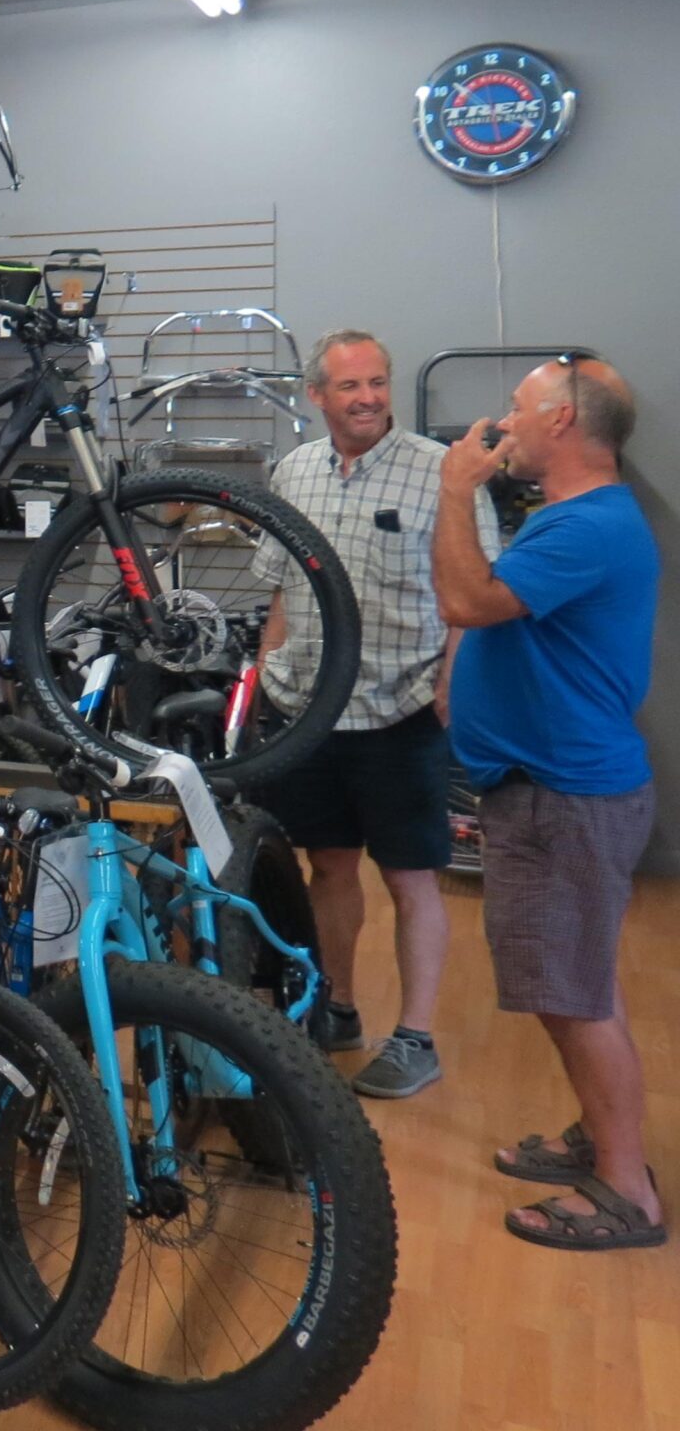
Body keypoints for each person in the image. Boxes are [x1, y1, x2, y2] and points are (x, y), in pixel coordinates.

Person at [436, 354, 663, 1251]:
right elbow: (491, 618)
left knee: (575, 997)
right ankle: (605, 1139)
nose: (508, 424)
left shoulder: (588, 527)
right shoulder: (573, 517)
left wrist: (455, 492)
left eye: (523, 408)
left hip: (563, 798)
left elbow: (466, 596)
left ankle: (625, 1190)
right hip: (550, 792)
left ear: (565, 420)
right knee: (578, 983)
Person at [252, 331, 496, 1098]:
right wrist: (267, 669)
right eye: (350, 386)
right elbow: (283, 587)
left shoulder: (441, 475)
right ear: (315, 395)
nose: (368, 399)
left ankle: (416, 1037)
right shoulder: (292, 472)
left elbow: (473, 592)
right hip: (308, 710)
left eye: (378, 383)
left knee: (411, 876)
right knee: (327, 865)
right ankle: (339, 1007)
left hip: (401, 710)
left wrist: (455, 684)